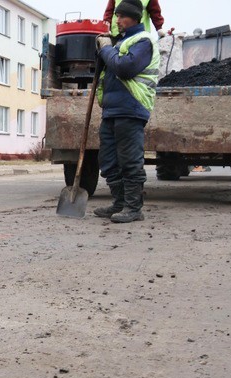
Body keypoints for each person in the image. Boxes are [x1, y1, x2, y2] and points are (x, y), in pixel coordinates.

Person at [94, 0, 160, 223]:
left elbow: (125, 68)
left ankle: (133, 208)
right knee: (108, 160)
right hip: (113, 109)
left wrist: (106, 50)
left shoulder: (143, 41)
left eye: (122, 17)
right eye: (117, 16)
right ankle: (119, 203)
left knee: (130, 160)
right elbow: (109, 66)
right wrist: (102, 52)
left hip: (131, 107)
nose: (118, 20)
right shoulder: (120, 41)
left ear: (134, 18)